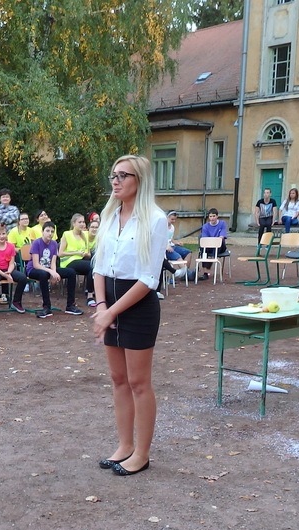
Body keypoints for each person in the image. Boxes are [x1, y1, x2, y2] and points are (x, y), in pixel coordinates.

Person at [91, 154, 166, 477]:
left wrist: (111, 312)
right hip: (108, 303)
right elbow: (99, 266)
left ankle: (142, 454)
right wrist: (101, 307)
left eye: (124, 175)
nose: (116, 181)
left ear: (140, 181)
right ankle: (124, 446)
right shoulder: (109, 216)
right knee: (118, 379)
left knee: (138, 382)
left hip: (138, 306)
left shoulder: (156, 220)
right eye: (114, 174)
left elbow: (149, 278)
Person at [27, 222, 80, 317]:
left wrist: (54, 273)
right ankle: (47, 307)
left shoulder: (54, 243)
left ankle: (70, 306)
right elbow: (36, 264)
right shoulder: (36, 243)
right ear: (42, 232)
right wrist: (51, 272)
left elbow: (53, 262)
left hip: (48, 269)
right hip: (34, 270)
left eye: (52, 231)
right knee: (43, 274)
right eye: (47, 231)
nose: (50, 233)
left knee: (71, 272)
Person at [0, 224, 28, 313]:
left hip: (7, 269)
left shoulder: (11, 246)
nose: (1, 236)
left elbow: (11, 263)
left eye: (3, 233)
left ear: (7, 234)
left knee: (23, 278)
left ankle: (16, 302)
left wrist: (8, 272)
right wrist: (4, 275)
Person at [57, 213, 95, 308]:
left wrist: (85, 254)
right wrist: (75, 253)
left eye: (83, 222)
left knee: (95, 266)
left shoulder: (85, 235)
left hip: (81, 260)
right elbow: (60, 253)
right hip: (68, 261)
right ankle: (90, 295)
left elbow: (89, 254)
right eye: (79, 222)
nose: (82, 224)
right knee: (92, 266)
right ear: (74, 223)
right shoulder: (67, 234)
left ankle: (90, 293)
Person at [197, 208, 229, 280]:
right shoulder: (205, 226)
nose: (212, 218)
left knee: (218, 244)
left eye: (214, 216)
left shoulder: (222, 223)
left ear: (217, 216)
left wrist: (215, 241)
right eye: (210, 216)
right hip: (209, 245)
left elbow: (221, 237)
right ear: (208, 217)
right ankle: (205, 273)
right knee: (203, 248)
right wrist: (212, 241)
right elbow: (205, 239)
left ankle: (211, 261)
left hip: (220, 245)